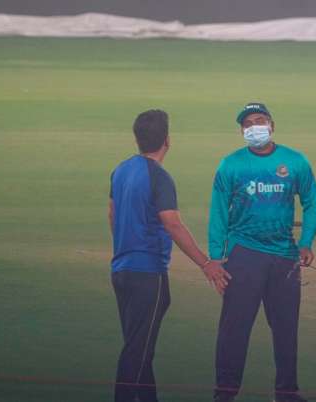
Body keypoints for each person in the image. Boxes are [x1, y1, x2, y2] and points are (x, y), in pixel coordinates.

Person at [109, 109, 228, 402]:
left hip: (121, 270)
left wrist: (128, 243)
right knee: (137, 352)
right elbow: (172, 224)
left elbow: (112, 214)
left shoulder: (121, 170)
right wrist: (205, 263)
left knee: (139, 346)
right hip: (148, 274)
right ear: (167, 140)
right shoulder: (159, 177)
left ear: (137, 138)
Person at [209, 102, 316, 402]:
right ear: (241, 131)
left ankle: (287, 392)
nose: (254, 127)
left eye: (259, 121)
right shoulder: (230, 165)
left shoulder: (294, 161)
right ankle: (225, 392)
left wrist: (306, 241)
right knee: (235, 329)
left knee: (286, 329)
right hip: (243, 254)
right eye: (248, 124)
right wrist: (215, 256)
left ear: (271, 125)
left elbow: (314, 201)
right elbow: (218, 213)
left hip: (284, 255)